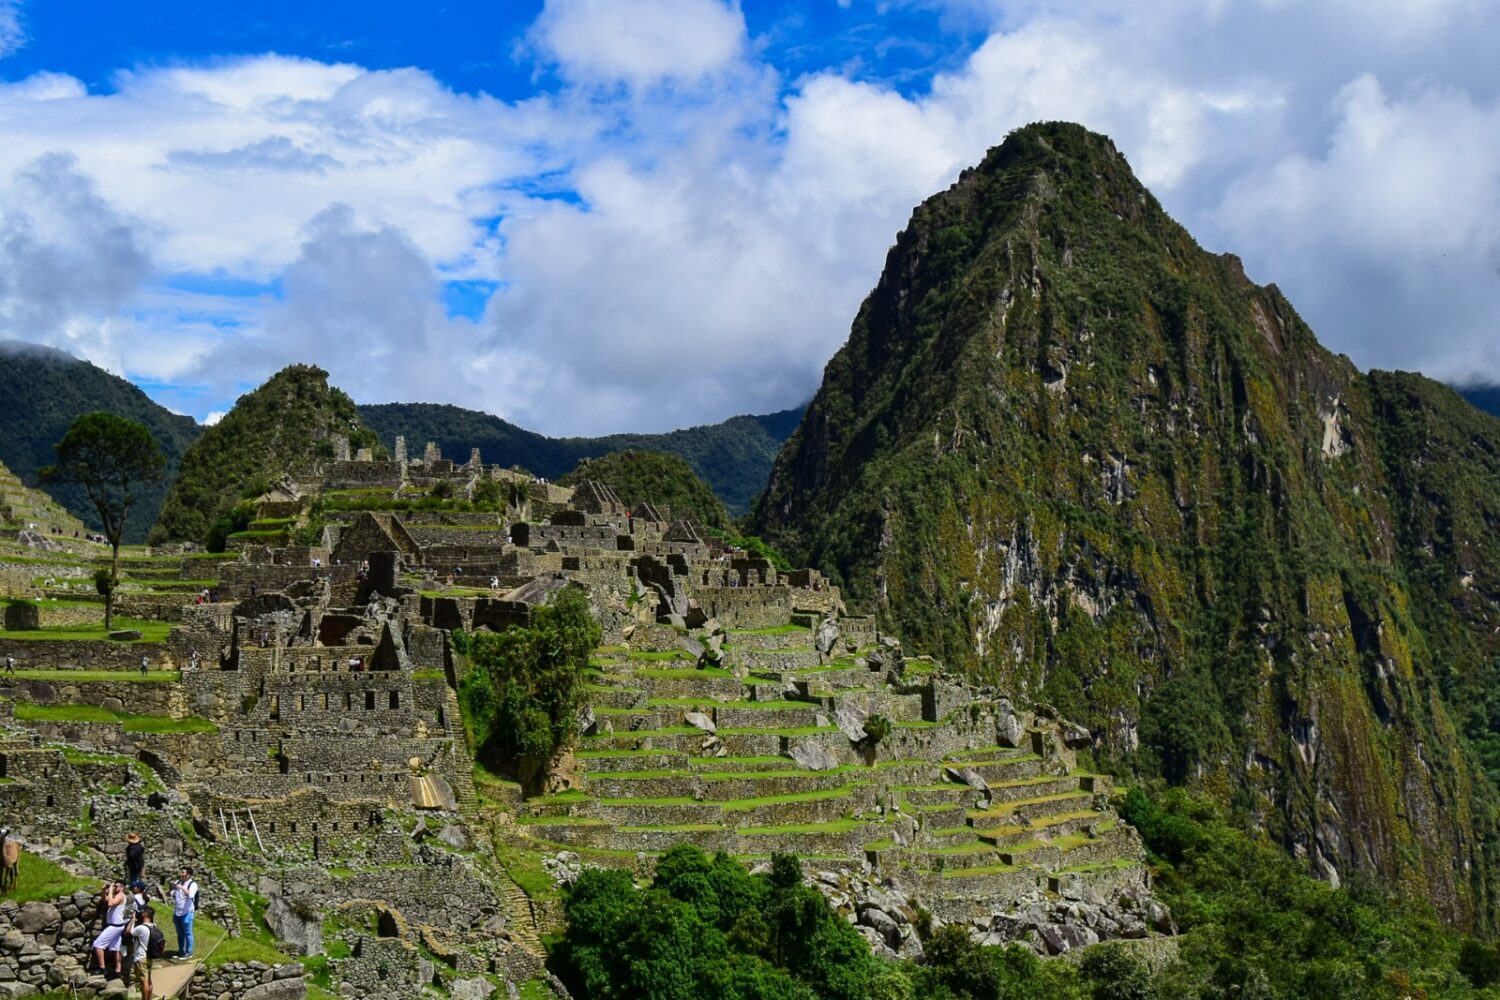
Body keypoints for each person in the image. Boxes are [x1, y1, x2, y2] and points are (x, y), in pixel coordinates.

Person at [92, 881, 128, 977]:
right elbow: (105, 899)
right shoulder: (116, 895)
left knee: (98, 944)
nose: (114, 887)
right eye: (114, 886)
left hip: (115, 926)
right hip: (116, 926)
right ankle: (117, 971)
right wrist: (104, 890)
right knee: (115, 948)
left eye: (116, 886)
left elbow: (110, 903)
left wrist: (111, 890)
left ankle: (102, 968)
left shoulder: (121, 895)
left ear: (122, 887)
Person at [169, 867, 198, 960]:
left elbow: (191, 895)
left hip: (187, 912)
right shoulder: (178, 882)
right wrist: (172, 889)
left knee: (188, 933)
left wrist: (181, 888)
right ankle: (181, 952)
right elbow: (172, 893)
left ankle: (188, 953)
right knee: (180, 934)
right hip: (177, 912)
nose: (181, 874)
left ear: (188, 874)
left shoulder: (192, 884)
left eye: (183, 872)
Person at [129, 905, 157, 999]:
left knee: (143, 981)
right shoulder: (154, 926)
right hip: (149, 956)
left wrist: (133, 920)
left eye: (143, 912)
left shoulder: (141, 928)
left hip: (141, 957)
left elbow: (129, 932)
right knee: (149, 979)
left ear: (145, 914)